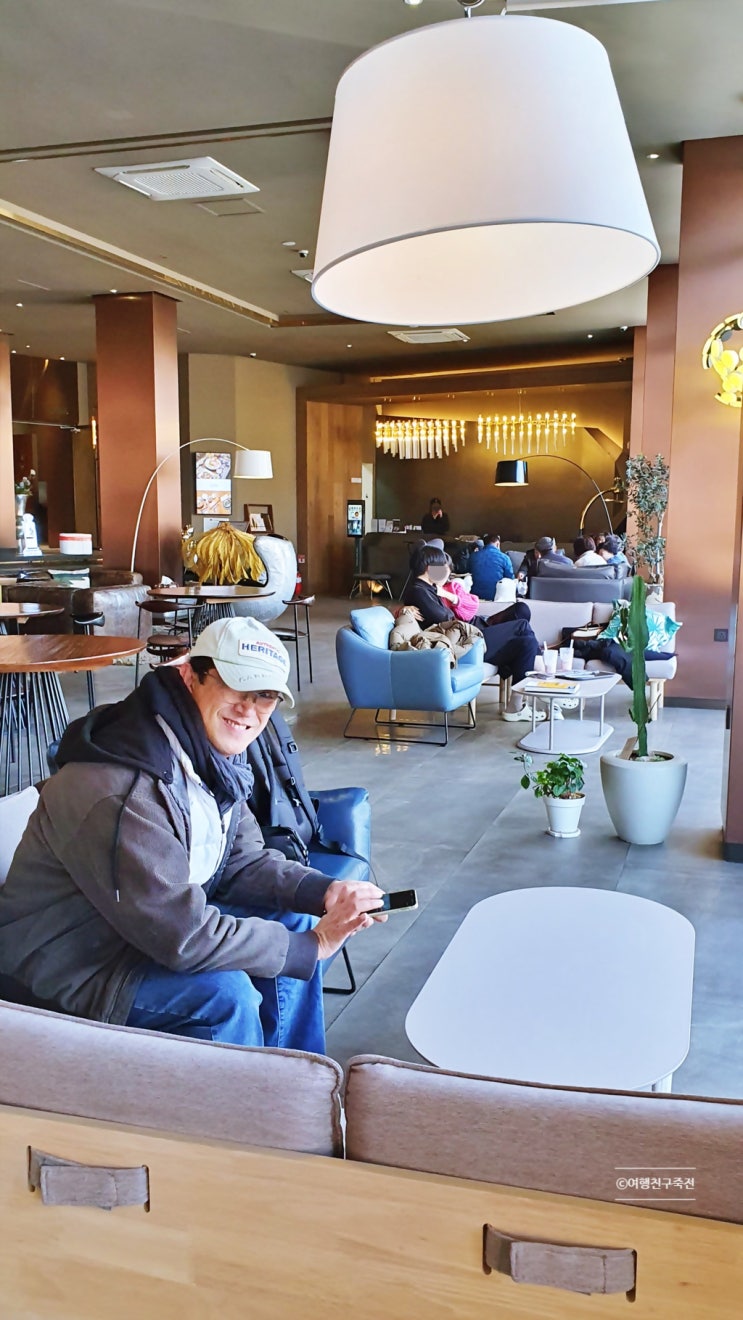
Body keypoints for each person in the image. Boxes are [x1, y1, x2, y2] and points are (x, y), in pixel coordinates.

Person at [0, 618, 384, 1051]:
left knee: (296, 920)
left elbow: (241, 861)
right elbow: (181, 936)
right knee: (226, 997)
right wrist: (311, 947)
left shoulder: (210, 751)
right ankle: (243, 1095)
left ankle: (294, 1077)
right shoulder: (124, 787)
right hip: (71, 959)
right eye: (235, 685)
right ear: (189, 675)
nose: (249, 709)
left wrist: (325, 891)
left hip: (136, 927)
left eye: (265, 696)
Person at [402, 545, 543, 721]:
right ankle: (544, 679)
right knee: (522, 626)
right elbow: (443, 618)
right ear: (429, 568)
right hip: (462, 642)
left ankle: (516, 705)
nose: (446, 572)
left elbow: (457, 612)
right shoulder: (419, 591)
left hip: (466, 634)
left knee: (526, 641)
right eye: (442, 567)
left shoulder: (428, 589)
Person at [469, 533, 515, 600]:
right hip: (496, 597)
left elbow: (468, 571)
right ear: (498, 544)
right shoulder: (504, 558)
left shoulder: (473, 556)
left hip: (475, 596)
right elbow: (510, 578)